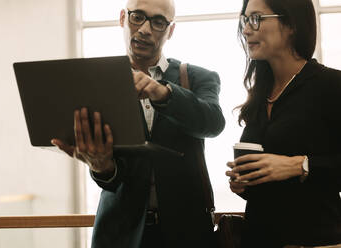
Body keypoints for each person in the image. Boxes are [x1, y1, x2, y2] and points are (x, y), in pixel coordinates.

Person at [52, 0, 225, 247]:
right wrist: (101, 166)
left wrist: (162, 93)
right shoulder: (96, 82)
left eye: (157, 22)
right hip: (119, 234)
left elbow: (213, 122)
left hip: (186, 233)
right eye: (137, 17)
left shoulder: (198, 77)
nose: (144, 29)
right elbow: (112, 175)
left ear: (170, 30)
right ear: (123, 18)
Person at [225, 0, 341, 247]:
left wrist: (301, 165)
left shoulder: (331, 85)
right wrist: (242, 181)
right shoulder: (261, 94)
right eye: (245, 20)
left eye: (256, 18)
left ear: (291, 24)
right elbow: (266, 188)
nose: (246, 29)